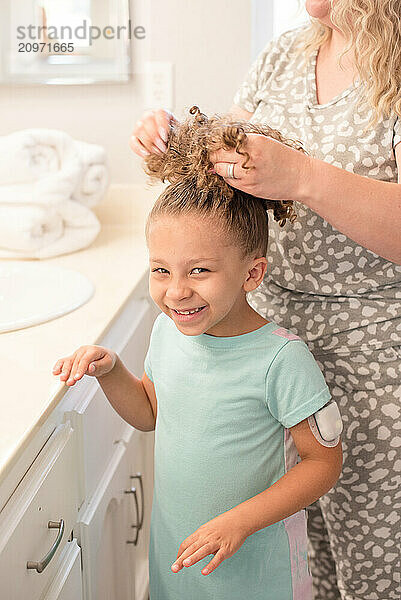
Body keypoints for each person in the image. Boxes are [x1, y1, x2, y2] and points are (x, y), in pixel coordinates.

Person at [130, 3, 401, 599]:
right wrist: (181, 142)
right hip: (267, 336)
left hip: (378, 362)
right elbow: (234, 161)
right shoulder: (286, 55)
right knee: (306, 558)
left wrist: (302, 176)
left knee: (378, 574)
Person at [54, 109, 343, 600]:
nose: (176, 292)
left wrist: (239, 523)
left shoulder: (280, 360)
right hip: (181, 562)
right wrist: (111, 371)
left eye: (200, 271)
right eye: (161, 270)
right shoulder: (169, 334)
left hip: (257, 573)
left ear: (252, 274)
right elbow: (150, 413)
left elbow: (323, 464)